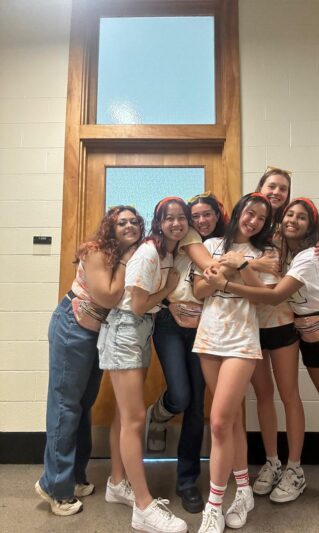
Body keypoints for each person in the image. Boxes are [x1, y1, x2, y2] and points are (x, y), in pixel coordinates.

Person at [204, 197, 319, 518]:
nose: (292, 220)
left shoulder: (310, 255)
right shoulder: (274, 243)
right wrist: (244, 264)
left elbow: (272, 296)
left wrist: (231, 276)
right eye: (289, 215)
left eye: (301, 217)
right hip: (304, 333)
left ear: (312, 226)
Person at [35, 205, 143, 516]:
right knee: (65, 405)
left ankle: (74, 476)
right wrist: (124, 260)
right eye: (121, 222)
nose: (128, 225)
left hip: (94, 332)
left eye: (134, 221)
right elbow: (107, 296)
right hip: (73, 326)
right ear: (110, 227)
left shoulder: (128, 256)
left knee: (82, 405)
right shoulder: (98, 251)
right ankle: (54, 486)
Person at [98, 197, 189, 533]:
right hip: (126, 326)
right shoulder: (150, 252)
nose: (177, 223)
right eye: (169, 218)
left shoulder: (168, 251)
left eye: (183, 218)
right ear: (158, 222)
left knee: (125, 414)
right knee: (135, 418)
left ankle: (117, 483)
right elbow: (136, 305)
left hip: (137, 329)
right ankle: (143, 507)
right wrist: (166, 289)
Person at [193, 193, 274, 533]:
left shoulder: (265, 254)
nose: (252, 220)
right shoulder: (211, 244)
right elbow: (198, 291)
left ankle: (214, 505)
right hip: (209, 337)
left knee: (219, 420)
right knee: (231, 421)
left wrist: (238, 266)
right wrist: (219, 271)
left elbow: (264, 299)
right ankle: (243, 490)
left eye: (260, 217)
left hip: (242, 340)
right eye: (248, 213)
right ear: (238, 212)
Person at [249, 167, 319, 502]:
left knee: (289, 394)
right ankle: (271, 462)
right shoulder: (248, 221)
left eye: (283, 188)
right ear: (260, 188)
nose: (277, 192)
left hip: (283, 322)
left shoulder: (291, 227)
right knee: (263, 396)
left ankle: (294, 467)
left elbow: (315, 256)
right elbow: (229, 257)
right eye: (272, 186)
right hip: (250, 324)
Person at [146, 192, 228, 515]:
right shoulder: (184, 238)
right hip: (169, 321)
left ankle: (187, 481)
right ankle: (160, 412)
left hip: (203, 324)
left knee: (196, 406)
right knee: (180, 395)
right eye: (196, 216)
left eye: (207, 215)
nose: (199, 221)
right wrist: (169, 303)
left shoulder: (225, 242)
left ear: (217, 216)